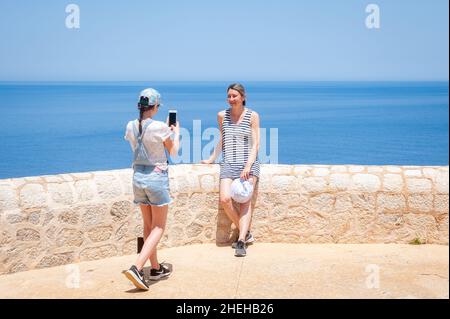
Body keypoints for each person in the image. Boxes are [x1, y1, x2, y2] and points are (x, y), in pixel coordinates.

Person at [123, 88, 180, 290]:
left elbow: (138, 147)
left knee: (148, 225)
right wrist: (176, 133)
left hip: (138, 178)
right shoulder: (159, 127)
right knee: (158, 227)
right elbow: (173, 151)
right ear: (155, 107)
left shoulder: (131, 126)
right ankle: (137, 267)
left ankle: (155, 268)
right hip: (156, 178)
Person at [201, 83, 260, 257]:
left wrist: (248, 166)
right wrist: (211, 159)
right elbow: (223, 139)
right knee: (225, 199)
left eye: (235, 96)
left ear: (243, 97)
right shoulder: (222, 115)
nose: (231, 99)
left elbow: (256, 144)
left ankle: (241, 240)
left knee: (244, 200)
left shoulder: (252, 116)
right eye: (229, 96)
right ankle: (246, 231)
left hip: (248, 164)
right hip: (228, 163)